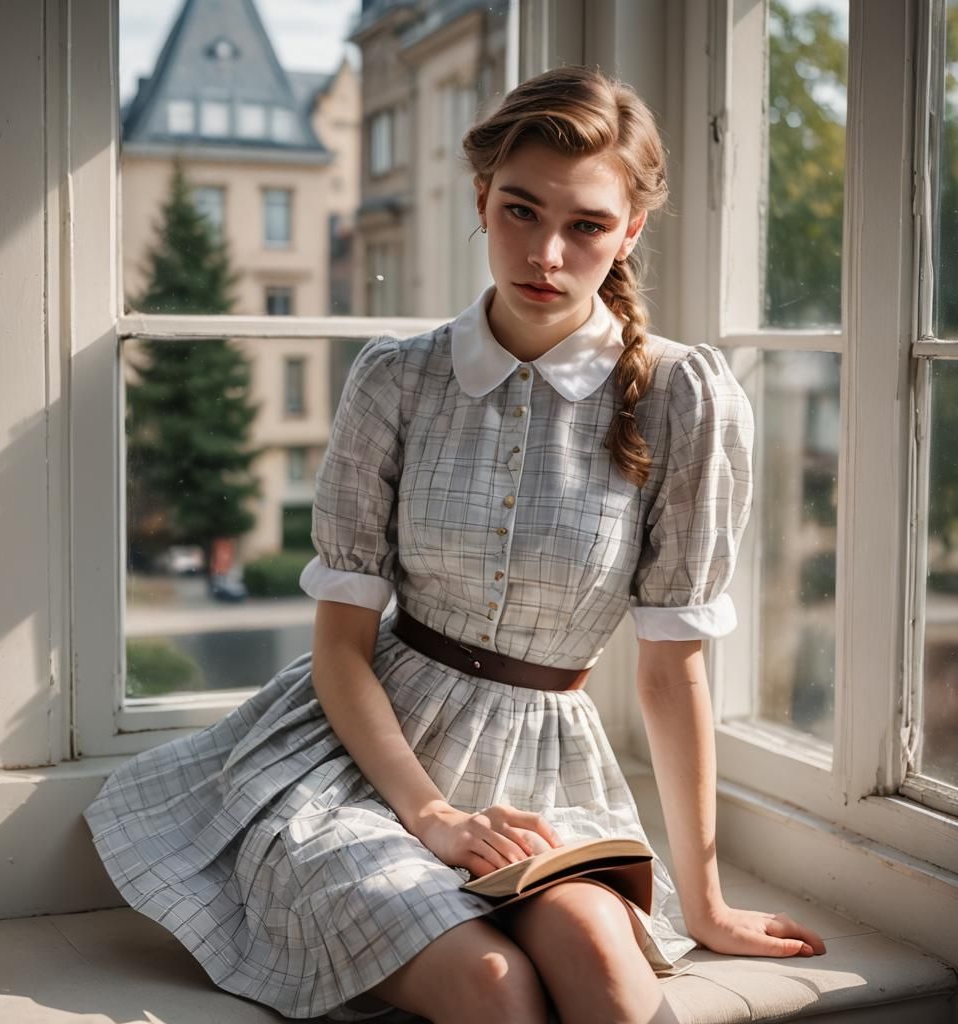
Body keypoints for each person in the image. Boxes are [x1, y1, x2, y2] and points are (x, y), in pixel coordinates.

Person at [83, 65, 827, 1024]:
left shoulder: (683, 399)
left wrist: (710, 902)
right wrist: (431, 815)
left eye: (587, 225)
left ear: (631, 231)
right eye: (520, 210)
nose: (546, 253)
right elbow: (340, 648)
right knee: (494, 987)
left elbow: (671, 672)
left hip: (547, 772)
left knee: (604, 967)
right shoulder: (397, 379)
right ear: (481, 200)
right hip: (357, 771)